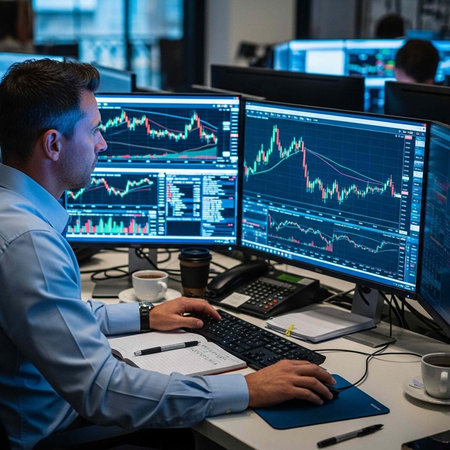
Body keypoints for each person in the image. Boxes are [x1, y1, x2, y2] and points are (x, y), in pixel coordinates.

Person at [0, 59, 336, 450]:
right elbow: (103, 391)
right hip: (51, 434)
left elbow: (61, 314)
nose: (103, 143)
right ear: (53, 144)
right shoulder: (29, 242)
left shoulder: (13, 215)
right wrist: (247, 388)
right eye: (93, 131)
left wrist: (146, 315)